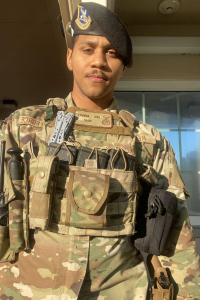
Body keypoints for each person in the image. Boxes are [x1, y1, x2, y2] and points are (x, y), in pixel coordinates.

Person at [0, 2, 199, 300]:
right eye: (88, 49)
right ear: (69, 57)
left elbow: (176, 235)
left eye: (112, 53)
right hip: (25, 290)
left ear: (122, 65)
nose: (99, 62)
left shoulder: (148, 141)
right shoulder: (22, 127)